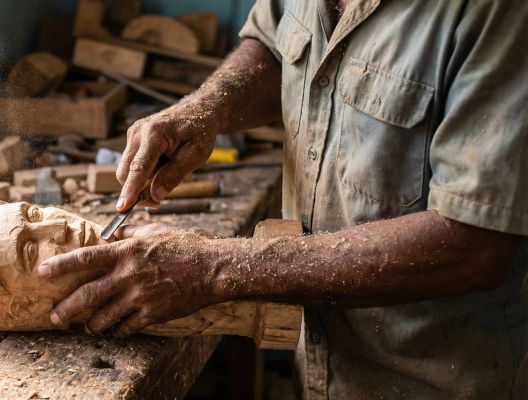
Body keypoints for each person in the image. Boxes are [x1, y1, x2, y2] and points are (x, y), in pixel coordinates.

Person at [37, 1, 528, 398]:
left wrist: (215, 268)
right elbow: (273, 46)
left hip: (440, 378)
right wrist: (205, 110)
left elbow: (473, 246)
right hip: (321, 363)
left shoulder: (498, 16)